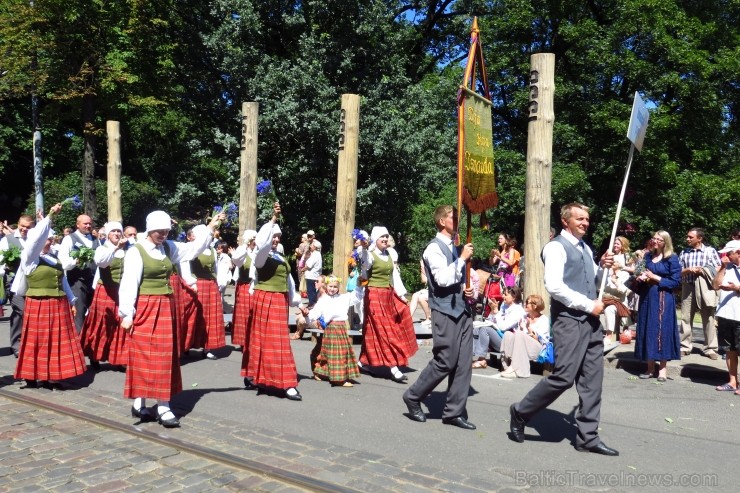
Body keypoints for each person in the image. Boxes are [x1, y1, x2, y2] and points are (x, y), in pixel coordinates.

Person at [509, 202, 618, 456]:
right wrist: (588, 305)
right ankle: (521, 411)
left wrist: (604, 267)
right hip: (569, 321)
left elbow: (593, 283)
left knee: (592, 382)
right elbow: (555, 286)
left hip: (591, 323)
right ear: (565, 221)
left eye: (587, 219)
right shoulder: (556, 247)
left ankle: (587, 437)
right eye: (580, 218)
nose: (585, 222)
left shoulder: (587, 249)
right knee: (563, 378)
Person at [118, 209, 224, 427]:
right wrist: (127, 313)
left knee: (165, 356)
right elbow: (129, 283)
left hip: (166, 306)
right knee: (143, 355)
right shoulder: (136, 251)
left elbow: (193, 249)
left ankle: (164, 405)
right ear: (149, 230)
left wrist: (210, 227)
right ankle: (140, 401)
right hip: (146, 307)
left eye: (166, 231)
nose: (163, 235)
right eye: (159, 231)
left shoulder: (168, 247)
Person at [402, 205, 476, 430]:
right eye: (454, 218)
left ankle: (454, 411)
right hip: (444, 311)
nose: (458, 221)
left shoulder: (454, 248)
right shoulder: (433, 249)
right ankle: (414, 396)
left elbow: (456, 280)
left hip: (462, 309)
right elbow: (443, 279)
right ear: (442, 221)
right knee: (446, 360)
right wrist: (462, 258)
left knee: (463, 364)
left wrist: (467, 290)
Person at [14, 203, 87, 389]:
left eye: (51, 239)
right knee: (37, 342)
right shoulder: (29, 258)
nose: (49, 242)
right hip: (38, 304)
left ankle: (52, 376)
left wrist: (72, 300)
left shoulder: (53, 259)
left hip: (58, 304)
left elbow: (62, 282)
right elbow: (35, 240)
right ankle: (32, 375)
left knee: (56, 342)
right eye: (47, 239)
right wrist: (50, 215)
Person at [242, 203, 303, 401]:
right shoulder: (260, 256)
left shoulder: (280, 256)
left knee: (277, 341)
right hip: (265, 299)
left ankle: (271, 377)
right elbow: (263, 243)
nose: (276, 239)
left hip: (280, 300)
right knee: (268, 341)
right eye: (273, 236)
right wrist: (273, 220)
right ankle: (282, 382)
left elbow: (289, 280)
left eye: (278, 236)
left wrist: (297, 303)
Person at [358, 226, 418, 383]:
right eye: (381, 237)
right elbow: (365, 269)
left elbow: (395, 277)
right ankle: (393, 367)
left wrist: (401, 295)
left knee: (373, 330)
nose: (385, 239)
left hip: (387, 295)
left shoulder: (390, 254)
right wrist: (364, 249)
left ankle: (363, 361)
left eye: (386, 236)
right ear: (375, 240)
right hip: (373, 295)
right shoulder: (369, 255)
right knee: (383, 330)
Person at [79, 221, 129, 370]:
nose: (116, 234)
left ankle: (119, 358)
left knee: (120, 323)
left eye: (118, 231)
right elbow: (102, 262)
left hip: (121, 291)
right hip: (106, 290)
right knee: (102, 324)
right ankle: (95, 354)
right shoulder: (103, 249)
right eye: (113, 231)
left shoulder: (127, 250)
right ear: (107, 234)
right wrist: (115, 248)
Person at [632, 231, 681, 381]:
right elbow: (637, 272)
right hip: (647, 297)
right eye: (654, 238)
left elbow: (676, 282)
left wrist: (656, 278)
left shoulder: (672, 258)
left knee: (662, 331)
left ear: (665, 242)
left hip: (663, 298)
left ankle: (663, 370)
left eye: (659, 240)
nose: (655, 241)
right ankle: (649, 368)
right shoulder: (646, 256)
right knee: (648, 329)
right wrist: (639, 277)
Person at [303, 275, 363, 387]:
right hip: (331, 328)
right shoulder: (323, 300)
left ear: (338, 287)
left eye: (335, 286)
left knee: (338, 353)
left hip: (341, 328)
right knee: (336, 354)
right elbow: (314, 314)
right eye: (330, 286)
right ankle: (338, 379)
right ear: (326, 286)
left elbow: (356, 296)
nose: (332, 288)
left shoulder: (344, 298)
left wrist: (359, 285)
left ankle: (321, 373)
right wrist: (307, 315)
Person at [678, 227, 721, 359]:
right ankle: (685, 346)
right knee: (686, 317)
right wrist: (688, 270)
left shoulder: (710, 251)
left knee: (708, 317)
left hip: (705, 287)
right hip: (688, 286)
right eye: (688, 236)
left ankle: (710, 348)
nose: (687, 239)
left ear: (699, 238)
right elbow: (678, 270)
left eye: (691, 237)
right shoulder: (684, 252)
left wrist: (704, 270)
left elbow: (718, 267)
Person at [0, 213, 35, 357]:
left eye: (28, 227)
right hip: (13, 282)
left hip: (32, 282)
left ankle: (21, 342)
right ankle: (17, 345)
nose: (24, 229)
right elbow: (1, 261)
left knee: (21, 314)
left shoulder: (33, 239)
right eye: (22, 226)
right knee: (22, 310)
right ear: (18, 224)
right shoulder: (7, 240)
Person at [58, 214, 100, 333]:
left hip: (93, 281)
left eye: (89, 223)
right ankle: (79, 345)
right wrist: (75, 261)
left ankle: (89, 343)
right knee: (79, 312)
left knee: (93, 313)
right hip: (77, 281)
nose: (88, 226)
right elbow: (63, 262)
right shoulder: (69, 239)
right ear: (77, 224)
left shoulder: (96, 240)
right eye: (85, 223)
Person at [472, 286, 526, 369]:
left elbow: (503, 327)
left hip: (510, 343)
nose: (503, 296)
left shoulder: (517, 310)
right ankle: (475, 356)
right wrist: (493, 310)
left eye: (506, 294)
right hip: (501, 336)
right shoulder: (504, 306)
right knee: (478, 327)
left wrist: (496, 311)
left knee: (485, 329)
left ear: (514, 297)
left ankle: (481, 359)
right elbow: (490, 320)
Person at [712, 240, 740, 394]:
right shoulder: (726, 267)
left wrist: (736, 288)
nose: (726, 255)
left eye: (729, 253)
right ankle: (732, 381)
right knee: (729, 350)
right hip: (725, 314)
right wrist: (722, 268)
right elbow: (715, 285)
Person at [499, 294, 550, 378]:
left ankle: (518, 369)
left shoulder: (543, 319)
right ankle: (507, 366)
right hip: (522, 347)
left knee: (519, 334)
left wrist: (528, 328)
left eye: (527, 302)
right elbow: (518, 337)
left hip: (538, 348)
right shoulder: (523, 317)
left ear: (535, 306)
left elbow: (541, 340)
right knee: (508, 334)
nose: (525, 304)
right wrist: (522, 328)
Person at [230, 230, 257, 348]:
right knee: (244, 315)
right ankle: (243, 341)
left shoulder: (258, 252)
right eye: (254, 239)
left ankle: (252, 340)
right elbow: (235, 259)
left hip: (255, 287)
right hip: (244, 286)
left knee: (253, 315)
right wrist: (245, 244)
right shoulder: (243, 253)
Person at [408, 259, 431, 326]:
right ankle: (409, 317)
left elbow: (429, 281)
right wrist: (422, 268)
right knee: (415, 295)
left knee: (421, 298)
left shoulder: (434, 268)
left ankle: (428, 318)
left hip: (437, 292)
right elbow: (424, 280)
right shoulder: (426, 269)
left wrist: (423, 268)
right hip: (429, 290)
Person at [303, 239, 322, 307]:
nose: (310, 246)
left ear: (315, 247)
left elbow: (309, 265)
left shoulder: (315, 254)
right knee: (314, 291)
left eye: (312, 245)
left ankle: (312, 304)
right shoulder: (317, 254)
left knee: (311, 291)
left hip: (311, 276)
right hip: (314, 275)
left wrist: (302, 269)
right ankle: (313, 303)